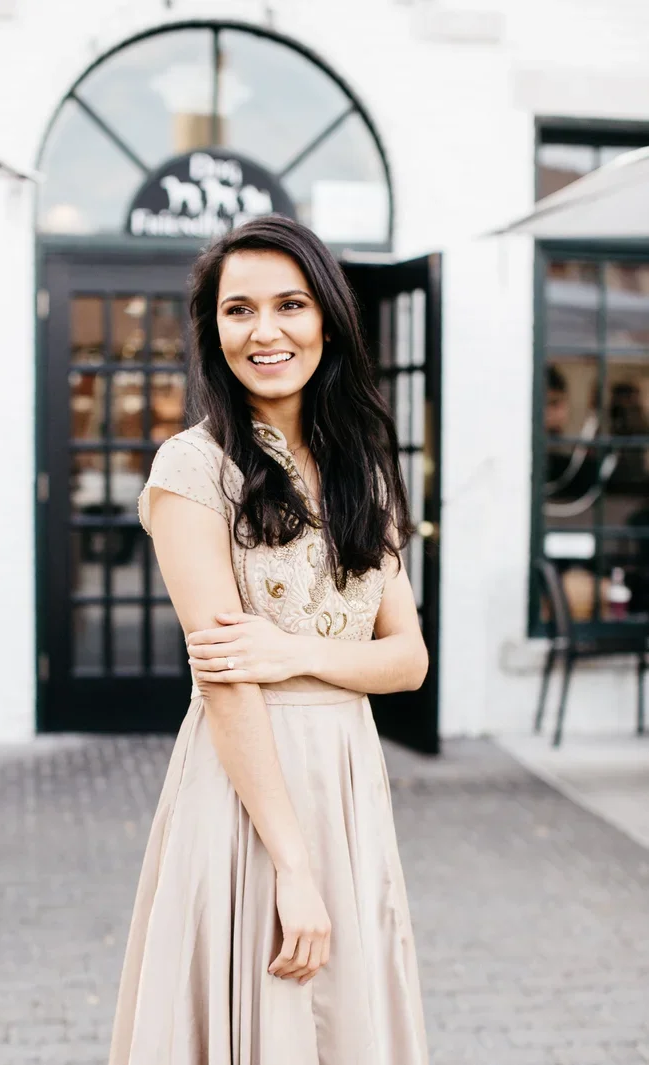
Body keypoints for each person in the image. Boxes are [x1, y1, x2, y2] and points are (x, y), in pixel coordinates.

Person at [108, 215, 430, 1065]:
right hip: (249, 791)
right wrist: (291, 864)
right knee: (262, 1009)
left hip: (350, 781)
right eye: (238, 309)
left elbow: (409, 659)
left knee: (344, 1022)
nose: (265, 330)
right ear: (214, 331)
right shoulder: (193, 467)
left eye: (290, 304)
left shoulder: (363, 463)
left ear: (327, 316)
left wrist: (298, 651)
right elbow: (223, 681)